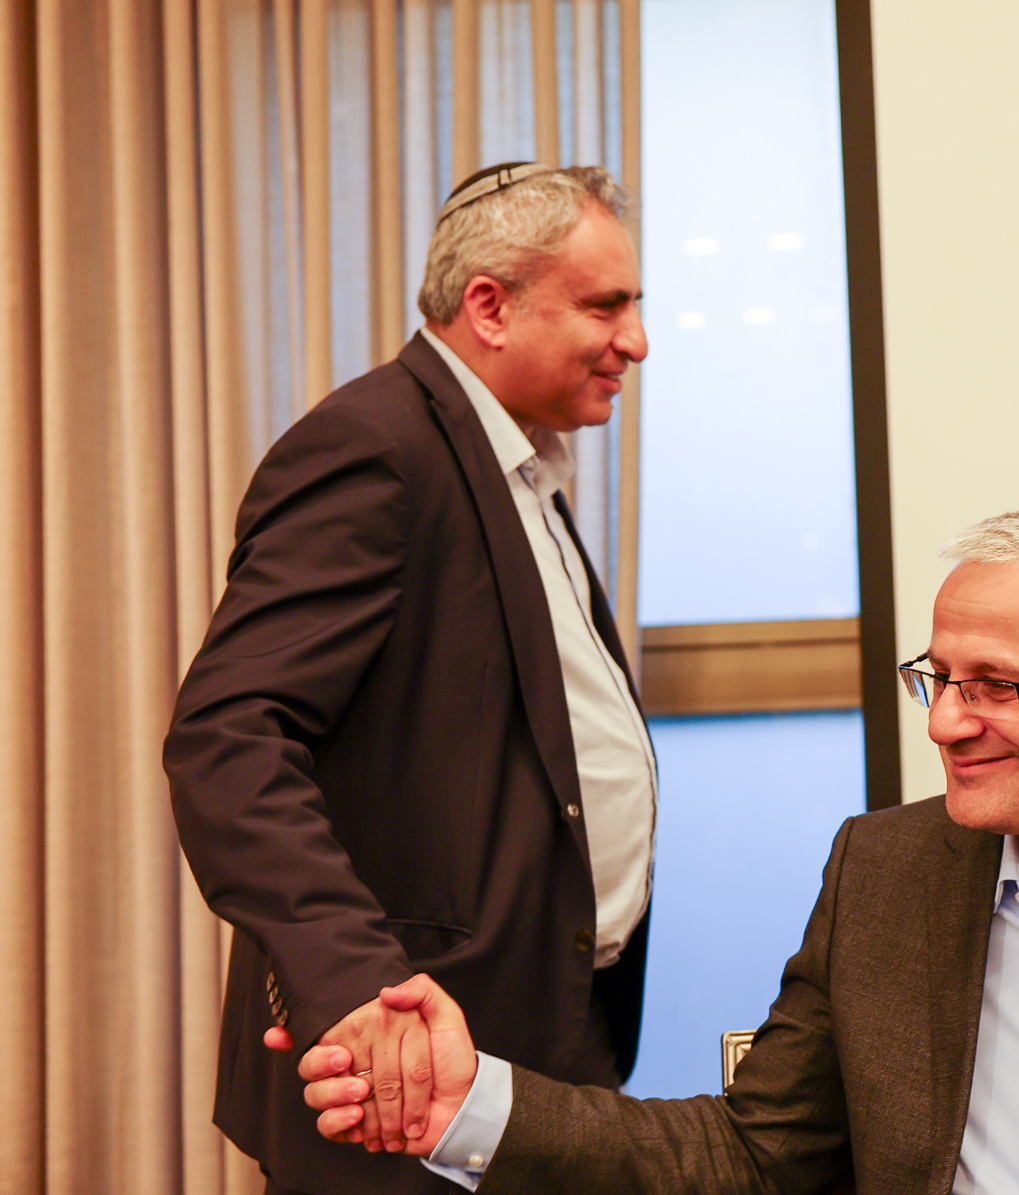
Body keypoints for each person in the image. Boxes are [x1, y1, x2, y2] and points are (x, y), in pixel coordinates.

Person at [297, 502, 1019, 1195]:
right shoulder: (883, 872)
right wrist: (470, 1102)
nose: (945, 724)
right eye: (939, 679)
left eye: (998, 685)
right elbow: (749, 1157)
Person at [165, 163, 657, 1195]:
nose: (636, 341)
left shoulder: (519, 463)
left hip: (532, 1038)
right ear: (490, 306)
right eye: (605, 305)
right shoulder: (376, 446)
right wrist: (352, 982)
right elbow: (230, 736)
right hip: (406, 1061)